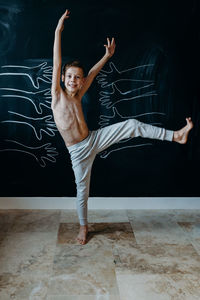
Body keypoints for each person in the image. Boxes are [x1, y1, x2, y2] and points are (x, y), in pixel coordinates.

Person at [51, 9, 193, 245]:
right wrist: (58, 31)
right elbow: (57, 62)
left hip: (93, 139)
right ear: (62, 78)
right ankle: (83, 228)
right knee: (82, 192)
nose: (73, 80)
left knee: (132, 125)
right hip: (77, 153)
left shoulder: (78, 94)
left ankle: (176, 136)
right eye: (69, 77)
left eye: (77, 77)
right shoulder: (58, 97)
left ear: (81, 81)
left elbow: (93, 74)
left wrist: (107, 57)